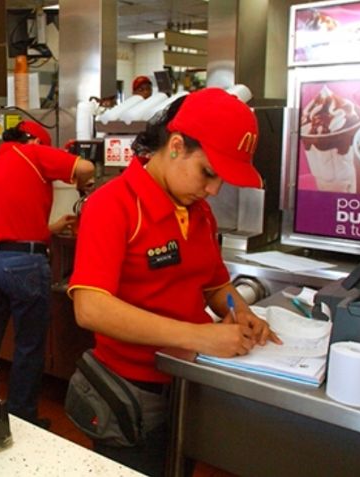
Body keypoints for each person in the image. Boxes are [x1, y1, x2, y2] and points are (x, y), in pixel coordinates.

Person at [68, 88, 280, 476]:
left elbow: (215, 286)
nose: (214, 190)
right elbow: (90, 307)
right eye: (209, 174)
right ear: (177, 146)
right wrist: (199, 337)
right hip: (132, 391)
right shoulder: (112, 204)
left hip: (188, 385)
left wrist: (241, 312)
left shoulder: (198, 212)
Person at [0, 120, 94, 427]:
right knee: (29, 346)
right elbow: (87, 167)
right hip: (25, 265)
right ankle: (22, 416)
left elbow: (6, 225)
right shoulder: (34, 155)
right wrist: (83, 185)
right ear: (35, 142)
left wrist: (50, 229)